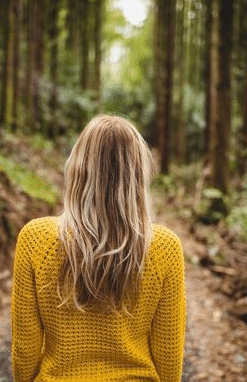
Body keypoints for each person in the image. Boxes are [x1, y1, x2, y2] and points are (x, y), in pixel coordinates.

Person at [11, 114, 186, 382]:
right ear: (137, 176)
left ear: (79, 168)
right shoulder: (165, 248)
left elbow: (26, 349)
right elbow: (169, 357)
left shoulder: (35, 239)